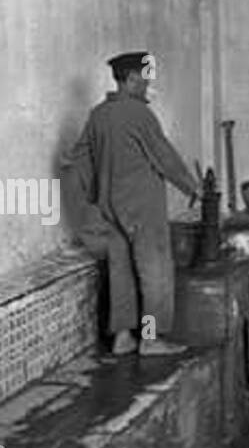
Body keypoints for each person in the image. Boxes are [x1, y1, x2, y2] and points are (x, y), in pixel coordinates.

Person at [61, 51, 201, 357]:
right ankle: (150, 339)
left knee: (120, 272)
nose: (149, 84)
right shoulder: (139, 114)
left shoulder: (98, 115)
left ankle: (122, 337)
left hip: (110, 208)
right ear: (132, 79)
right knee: (155, 273)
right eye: (146, 78)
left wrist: (91, 199)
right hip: (142, 207)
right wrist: (194, 187)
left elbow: (79, 158)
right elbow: (163, 155)